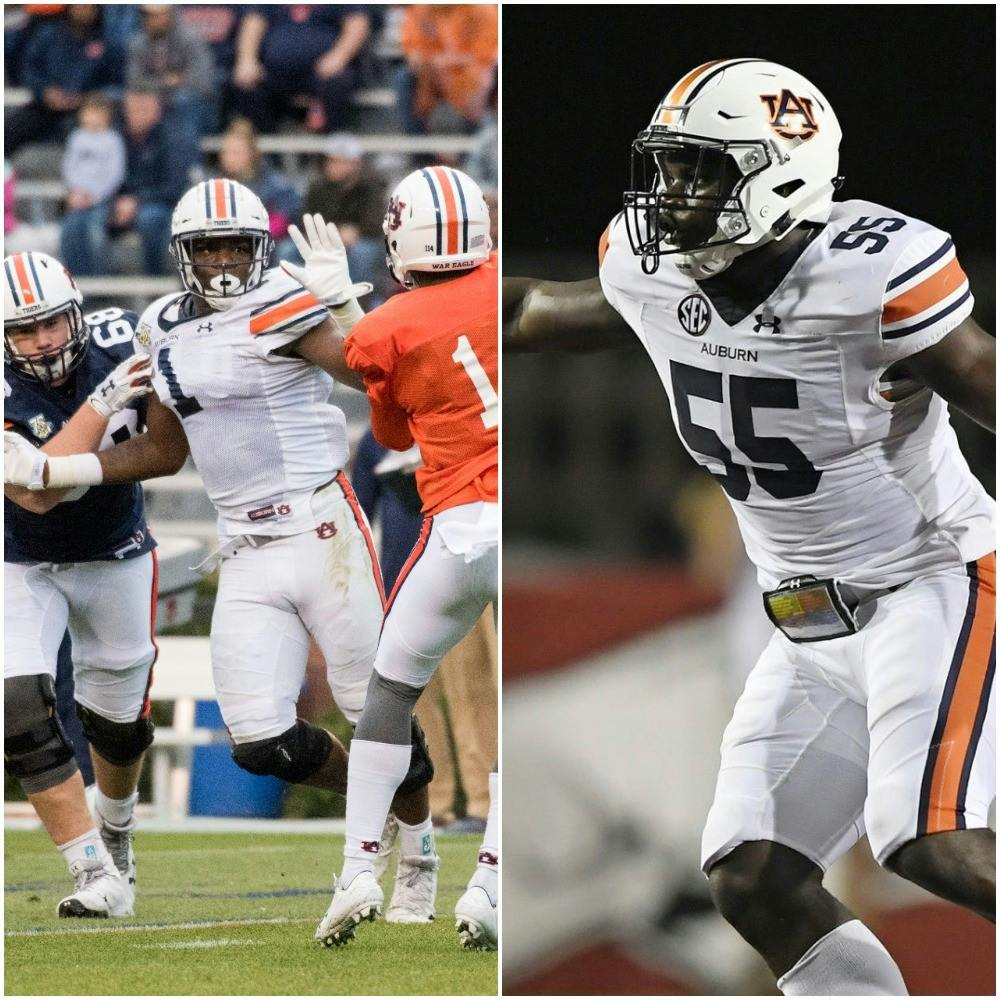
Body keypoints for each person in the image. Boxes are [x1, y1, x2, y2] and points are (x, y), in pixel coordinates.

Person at [504, 59, 995, 996]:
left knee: (929, 840)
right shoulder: (652, 274)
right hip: (803, 621)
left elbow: (986, 381)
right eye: (667, 166)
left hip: (933, 581)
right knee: (754, 877)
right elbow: (529, 309)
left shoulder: (869, 277)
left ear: (783, 173)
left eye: (700, 171)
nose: (670, 195)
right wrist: (402, 310)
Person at [5, 179, 436, 925]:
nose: (224, 259)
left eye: (237, 244)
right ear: (183, 256)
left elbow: (376, 379)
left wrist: (344, 308)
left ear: (259, 246)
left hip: (320, 527)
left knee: (376, 708)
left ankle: (420, 858)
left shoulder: (286, 298)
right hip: (244, 543)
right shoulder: (161, 324)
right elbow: (165, 450)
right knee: (258, 744)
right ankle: (386, 800)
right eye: (209, 248)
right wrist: (68, 468)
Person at [295, 167, 499, 950]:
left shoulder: (388, 325)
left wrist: (348, 308)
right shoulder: (502, 290)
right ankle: (488, 880)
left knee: (388, 691)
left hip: (458, 528)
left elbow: (392, 438)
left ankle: (357, 869)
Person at [3, 251, 159, 918]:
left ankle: (117, 831)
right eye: (22, 331)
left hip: (116, 551)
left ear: (78, 314)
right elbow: (35, 492)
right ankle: (93, 871)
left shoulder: (126, 336)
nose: (41, 342)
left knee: (117, 730)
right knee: (19, 710)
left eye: (51, 324)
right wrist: (103, 403)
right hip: (22, 558)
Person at [4, 5, 124, 155]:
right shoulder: (49, 34)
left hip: (83, 110)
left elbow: (113, 81)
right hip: (45, 106)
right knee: (8, 129)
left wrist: (86, 98)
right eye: (79, 7)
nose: (83, 12)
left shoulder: (105, 43)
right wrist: (44, 91)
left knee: (84, 137)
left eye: (88, 8)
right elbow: (29, 70)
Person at [231, 6, 370, 134]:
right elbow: (254, 21)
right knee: (246, 83)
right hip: (276, 70)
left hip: (324, 70)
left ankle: (333, 148)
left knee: (338, 83)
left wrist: (339, 56)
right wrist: (247, 59)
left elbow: (357, 22)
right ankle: (269, 152)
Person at [302, 133, 386, 302]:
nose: (334, 166)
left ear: (355, 163)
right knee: (289, 249)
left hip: (363, 240)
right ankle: (300, 303)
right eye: (332, 161)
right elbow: (306, 221)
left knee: (362, 252)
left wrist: (357, 232)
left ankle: (359, 300)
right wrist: (336, 234)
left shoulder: (371, 185)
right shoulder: (317, 187)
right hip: (325, 240)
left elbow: (376, 224)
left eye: (341, 161)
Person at [395, 5, 498, 135]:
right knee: (404, 78)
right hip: (432, 76)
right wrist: (425, 64)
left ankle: (476, 142)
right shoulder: (421, 9)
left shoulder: (481, 8)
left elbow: (485, 55)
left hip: (472, 75)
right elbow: (413, 50)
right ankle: (419, 150)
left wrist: (448, 63)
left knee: (483, 77)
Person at [126, 4, 215, 147]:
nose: (152, 20)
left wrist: (166, 93)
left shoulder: (190, 38)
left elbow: (202, 80)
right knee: (119, 101)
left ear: (171, 13)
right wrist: (165, 83)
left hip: (194, 103)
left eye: (158, 15)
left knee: (181, 101)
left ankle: (183, 168)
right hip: (151, 100)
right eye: (148, 15)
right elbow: (134, 81)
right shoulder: (138, 43)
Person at [59, 94, 126, 277]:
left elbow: (115, 174)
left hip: (101, 200)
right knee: (69, 231)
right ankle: (73, 276)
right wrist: (75, 192)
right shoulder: (77, 138)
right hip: (77, 198)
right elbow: (69, 167)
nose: (90, 117)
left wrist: (94, 196)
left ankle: (99, 278)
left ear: (106, 115)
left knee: (95, 234)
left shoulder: (112, 140)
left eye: (95, 112)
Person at [218, 119, 302, 265]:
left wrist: (250, 235)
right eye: (226, 152)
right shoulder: (215, 184)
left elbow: (285, 217)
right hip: (229, 242)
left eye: (236, 153)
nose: (229, 158)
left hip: (268, 243)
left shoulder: (274, 183)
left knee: (286, 249)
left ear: (251, 153)